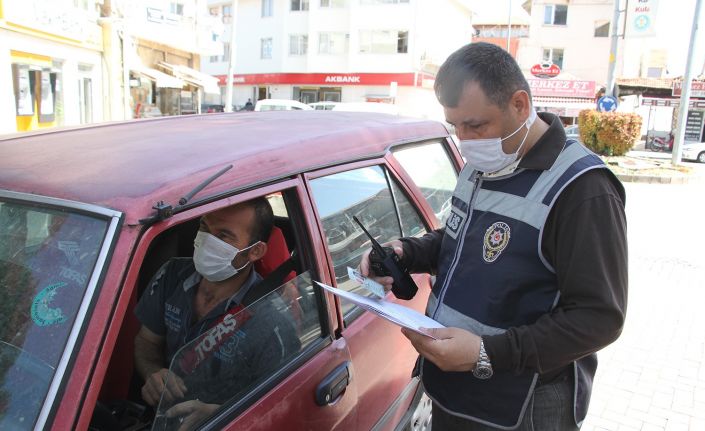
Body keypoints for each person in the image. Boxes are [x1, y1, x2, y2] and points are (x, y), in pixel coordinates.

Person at [361, 42, 627, 430]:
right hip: (456, 389)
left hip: (523, 405)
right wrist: (409, 252)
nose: (466, 141)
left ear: (519, 104)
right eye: (456, 126)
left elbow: (599, 317)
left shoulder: (582, 189)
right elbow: (463, 240)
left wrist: (487, 354)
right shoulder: (485, 162)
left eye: (476, 125)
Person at [134, 198, 300, 424]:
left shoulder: (272, 320)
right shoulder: (172, 274)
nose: (206, 240)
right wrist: (153, 373)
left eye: (223, 235)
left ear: (255, 251)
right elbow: (147, 341)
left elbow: (283, 408)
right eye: (204, 227)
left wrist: (220, 415)